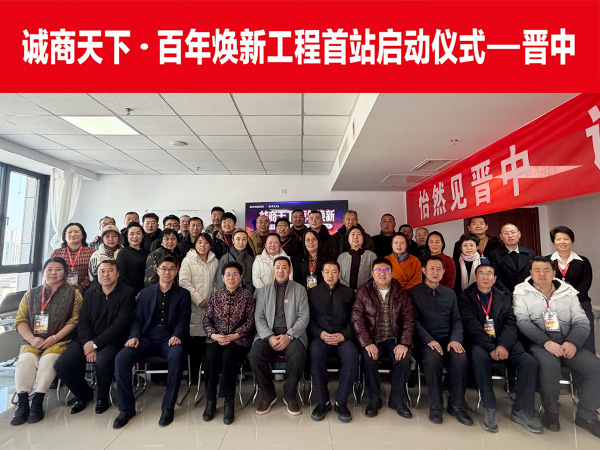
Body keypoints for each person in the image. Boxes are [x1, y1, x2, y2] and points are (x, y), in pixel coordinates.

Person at [513, 257, 600, 437]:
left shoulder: (568, 292)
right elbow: (523, 321)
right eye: (537, 270)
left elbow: (582, 321)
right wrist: (546, 342)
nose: (542, 274)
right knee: (549, 366)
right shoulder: (521, 291)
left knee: (596, 368)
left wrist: (572, 342)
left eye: (546, 270)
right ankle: (551, 411)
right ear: (530, 273)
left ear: (554, 273)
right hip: (539, 343)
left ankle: (587, 413)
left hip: (568, 342)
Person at [459, 264, 542, 434]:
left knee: (529, 362)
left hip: (505, 342)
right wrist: (491, 347)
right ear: (476, 277)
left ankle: (522, 410)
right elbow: (472, 326)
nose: (485, 277)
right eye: (481, 274)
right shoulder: (465, 297)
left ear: (495, 278)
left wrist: (503, 345)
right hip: (480, 343)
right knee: (478, 357)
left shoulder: (504, 296)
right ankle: (490, 408)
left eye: (489, 274)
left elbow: (511, 323)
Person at [113, 256, 191, 428]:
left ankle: (168, 407)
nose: (167, 272)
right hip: (146, 337)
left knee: (177, 356)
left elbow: (183, 320)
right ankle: (126, 408)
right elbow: (138, 319)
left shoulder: (183, 294)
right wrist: (134, 336)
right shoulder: (145, 293)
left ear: (176, 272)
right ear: (158, 271)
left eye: (171, 269)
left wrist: (177, 334)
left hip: (169, 338)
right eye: (164, 268)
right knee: (121, 358)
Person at [54, 260, 135, 415]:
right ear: (97, 274)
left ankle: (102, 398)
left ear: (118, 273)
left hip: (113, 339)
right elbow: (83, 321)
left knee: (102, 362)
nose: (106, 274)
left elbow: (120, 324)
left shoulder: (127, 293)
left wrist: (95, 344)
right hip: (87, 338)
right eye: (102, 271)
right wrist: (87, 343)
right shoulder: (89, 293)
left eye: (110, 270)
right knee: (63, 364)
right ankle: (84, 394)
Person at [11, 257, 83, 425]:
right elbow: (20, 320)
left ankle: (38, 399)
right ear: (44, 272)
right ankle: (23, 402)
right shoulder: (30, 294)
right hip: (32, 341)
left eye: (58, 269)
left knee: (48, 361)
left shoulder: (74, 294)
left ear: (64, 273)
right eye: (49, 269)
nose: (53, 273)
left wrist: (54, 338)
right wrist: (32, 339)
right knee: (25, 360)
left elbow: (74, 320)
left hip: (59, 341)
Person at [410, 256, 472, 426]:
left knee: (461, 359)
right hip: (425, 343)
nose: (435, 272)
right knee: (433, 359)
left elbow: (457, 320)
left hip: (448, 340)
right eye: (432, 268)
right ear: (424, 271)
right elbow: (414, 322)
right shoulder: (414, 293)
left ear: (444, 272)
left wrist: (455, 339)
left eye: (439, 269)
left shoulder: (450, 293)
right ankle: (436, 405)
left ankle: (456, 405)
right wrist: (429, 340)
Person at [352, 258, 414, 419]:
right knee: (368, 357)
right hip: (374, 339)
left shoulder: (401, 292)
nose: (382, 274)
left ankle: (397, 399)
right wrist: (367, 343)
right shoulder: (363, 292)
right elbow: (357, 320)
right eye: (378, 270)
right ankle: (374, 399)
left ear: (392, 273)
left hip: (394, 339)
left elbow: (408, 319)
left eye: (386, 270)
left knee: (405, 358)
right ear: (372, 273)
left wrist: (404, 343)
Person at [249, 256, 309, 416]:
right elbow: (259, 317)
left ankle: (290, 395)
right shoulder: (263, 291)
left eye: (284, 267)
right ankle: (268, 394)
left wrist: (289, 336)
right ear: (273, 270)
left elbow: (304, 317)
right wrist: (269, 337)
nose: (280, 271)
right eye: (277, 267)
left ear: (290, 270)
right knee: (255, 355)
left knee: (298, 355)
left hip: (292, 336)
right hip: (268, 335)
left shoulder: (300, 290)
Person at [202, 262, 255, 425]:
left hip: (238, 339)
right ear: (223, 278)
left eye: (235, 274)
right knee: (210, 357)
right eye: (228, 275)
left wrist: (234, 336)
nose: (231, 278)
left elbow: (250, 321)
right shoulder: (215, 295)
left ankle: (228, 402)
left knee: (228, 357)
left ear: (240, 277)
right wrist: (215, 335)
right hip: (216, 338)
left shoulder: (246, 295)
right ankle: (210, 400)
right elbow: (207, 320)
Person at [308, 261, 358, 423]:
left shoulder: (349, 292)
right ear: (322, 274)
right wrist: (320, 334)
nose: (330, 275)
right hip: (321, 336)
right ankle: (323, 402)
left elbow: (355, 320)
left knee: (352, 356)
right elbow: (309, 320)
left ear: (339, 274)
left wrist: (344, 335)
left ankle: (341, 402)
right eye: (327, 272)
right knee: (314, 355)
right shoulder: (312, 293)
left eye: (334, 272)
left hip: (343, 337)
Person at [548, 226, 595, 353]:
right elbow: (544, 283)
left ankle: (588, 362)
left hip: (581, 303)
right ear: (553, 242)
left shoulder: (583, 261)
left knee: (585, 337)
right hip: (554, 305)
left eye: (566, 239)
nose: (562, 242)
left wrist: (571, 299)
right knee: (557, 338)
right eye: (558, 239)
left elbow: (585, 283)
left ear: (572, 241)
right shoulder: (547, 261)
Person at [179, 232, 218, 383]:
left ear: (210, 245)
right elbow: (184, 282)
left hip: (211, 307)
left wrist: (211, 300)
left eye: (206, 243)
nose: (203, 245)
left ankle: (208, 378)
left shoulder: (215, 261)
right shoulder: (188, 260)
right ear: (195, 244)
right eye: (200, 242)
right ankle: (194, 378)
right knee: (195, 343)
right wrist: (200, 300)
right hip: (193, 306)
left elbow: (218, 283)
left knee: (209, 343)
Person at [489, 223, 536, 293]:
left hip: (528, 293)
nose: (510, 236)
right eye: (506, 233)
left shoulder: (530, 254)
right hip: (504, 294)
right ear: (501, 237)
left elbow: (534, 275)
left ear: (519, 234)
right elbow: (496, 278)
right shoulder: (494, 255)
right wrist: (507, 294)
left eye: (513, 232)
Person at [50, 222, 95, 292]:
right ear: (65, 236)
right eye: (70, 232)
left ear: (82, 235)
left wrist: (81, 287)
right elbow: (51, 272)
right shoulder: (56, 253)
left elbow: (93, 272)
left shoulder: (91, 251)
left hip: (86, 290)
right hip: (60, 290)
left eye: (76, 232)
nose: (73, 234)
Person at [215, 229, 255, 295]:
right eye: (238, 239)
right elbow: (220, 280)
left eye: (244, 239)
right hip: (227, 295)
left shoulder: (250, 259)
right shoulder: (225, 258)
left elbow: (252, 281)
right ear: (233, 241)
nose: (241, 242)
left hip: (246, 295)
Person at [338, 226, 377, 290]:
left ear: (363, 238)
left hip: (365, 292)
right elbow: (338, 276)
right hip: (345, 292)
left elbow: (374, 276)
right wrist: (349, 290)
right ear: (348, 238)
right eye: (353, 234)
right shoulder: (341, 257)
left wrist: (361, 290)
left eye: (359, 234)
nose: (355, 237)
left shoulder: (371, 256)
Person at [116, 221, 150, 295]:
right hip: (129, 292)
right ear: (127, 236)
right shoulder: (122, 254)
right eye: (131, 234)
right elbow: (121, 276)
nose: (135, 236)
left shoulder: (148, 253)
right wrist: (134, 291)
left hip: (147, 291)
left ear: (142, 236)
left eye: (138, 233)